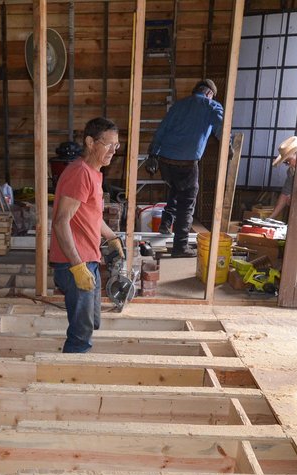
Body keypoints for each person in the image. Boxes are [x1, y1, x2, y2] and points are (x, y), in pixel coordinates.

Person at [49, 117, 125, 353]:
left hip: (88, 260)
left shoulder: (94, 173)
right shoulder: (80, 174)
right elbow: (61, 222)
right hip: (74, 264)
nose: (114, 150)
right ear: (91, 142)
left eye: (117, 145)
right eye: (108, 144)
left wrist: (112, 238)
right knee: (80, 335)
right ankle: (71, 372)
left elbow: (92, 216)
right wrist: (77, 266)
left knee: (92, 321)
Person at [144, 79, 224, 258]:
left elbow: (162, 130)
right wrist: (229, 144)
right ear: (209, 93)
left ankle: (166, 224)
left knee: (176, 188)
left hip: (165, 161)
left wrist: (152, 154)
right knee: (187, 203)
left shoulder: (178, 106)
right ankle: (180, 246)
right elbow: (221, 128)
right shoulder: (212, 106)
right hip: (186, 163)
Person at [269, 136, 297, 222]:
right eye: (287, 162)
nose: (289, 164)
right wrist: (270, 218)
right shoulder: (291, 171)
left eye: (289, 161)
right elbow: (285, 195)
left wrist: (294, 196)